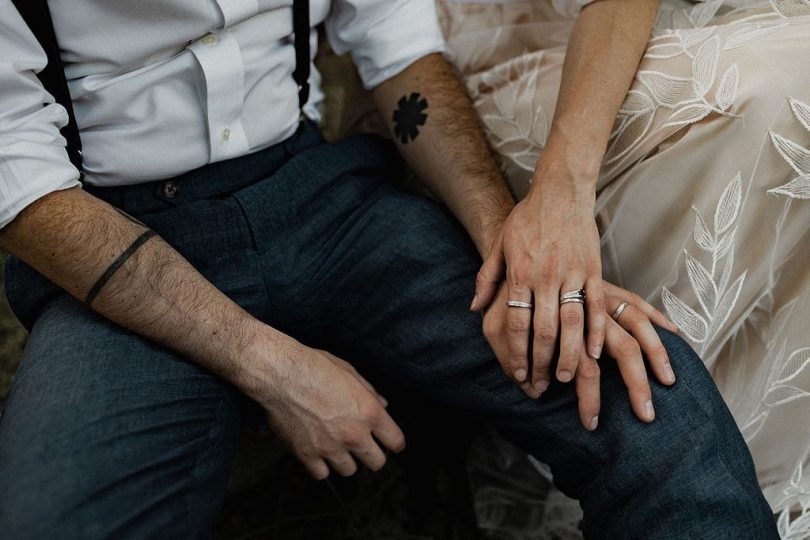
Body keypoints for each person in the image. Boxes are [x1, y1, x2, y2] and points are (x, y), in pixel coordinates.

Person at [0, 0, 777, 538]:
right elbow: (22, 180)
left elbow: (397, 48)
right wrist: (275, 371)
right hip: (116, 234)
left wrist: (506, 246)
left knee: (638, 387)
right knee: (54, 518)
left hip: (320, 201)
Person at [434, 0, 810, 535]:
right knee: (781, 90)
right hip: (505, 59)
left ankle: (752, 470)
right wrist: (559, 192)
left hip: (683, 22)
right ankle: (663, 441)